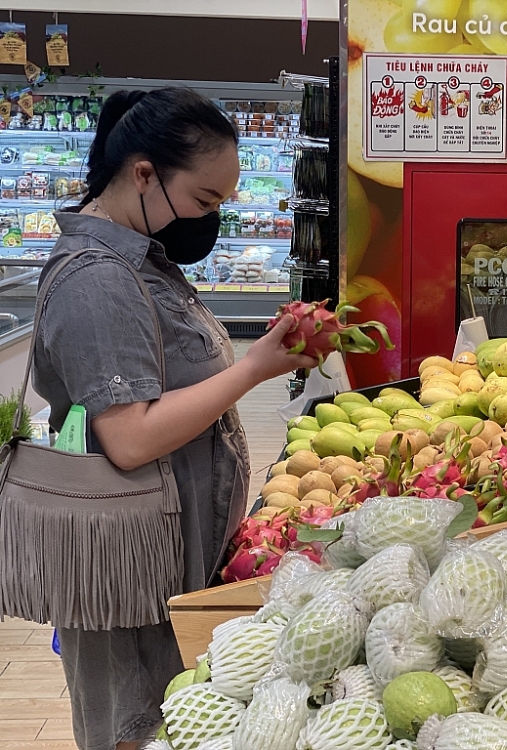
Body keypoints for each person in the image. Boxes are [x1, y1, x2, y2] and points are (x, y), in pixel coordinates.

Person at [31, 88, 317, 750]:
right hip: (126, 570)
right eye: (205, 200)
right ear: (143, 174)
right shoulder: (96, 280)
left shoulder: (139, 262)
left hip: (165, 553)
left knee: (178, 719)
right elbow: (128, 439)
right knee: (136, 726)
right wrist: (254, 368)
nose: (208, 218)